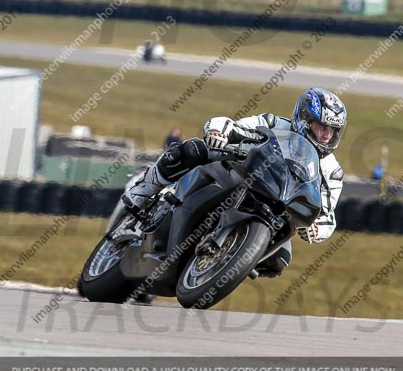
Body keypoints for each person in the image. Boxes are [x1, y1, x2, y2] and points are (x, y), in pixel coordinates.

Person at [122, 86, 347, 278]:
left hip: (277, 205)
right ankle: (145, 190)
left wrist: (318, 229)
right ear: (305, 121)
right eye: (321, 127)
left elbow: (327, 213)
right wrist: (221, 131)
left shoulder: (332, 171)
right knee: (193, 149)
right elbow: (237, 126)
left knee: (280, 259)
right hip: (243, 170)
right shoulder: (274, 123)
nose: (327, 136)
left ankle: (231, 262)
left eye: (332, 131)